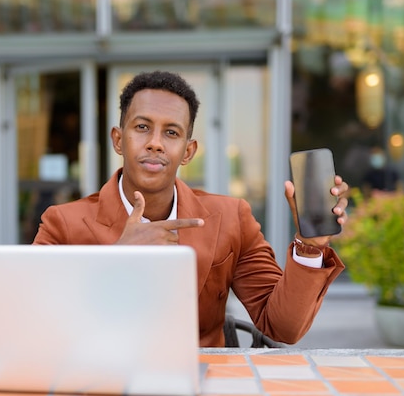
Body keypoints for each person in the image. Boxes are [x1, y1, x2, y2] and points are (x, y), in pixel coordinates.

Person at [33, 70, 349, 347]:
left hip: (203, 384)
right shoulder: (63, 224)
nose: (155, 142)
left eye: (171, 132)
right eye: (142, 127)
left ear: (188, 151)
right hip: (103, 382)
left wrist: (310, 247)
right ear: (118, 140)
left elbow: (282, 327)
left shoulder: (231, 218)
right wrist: (117, 260)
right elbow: (36, 324)